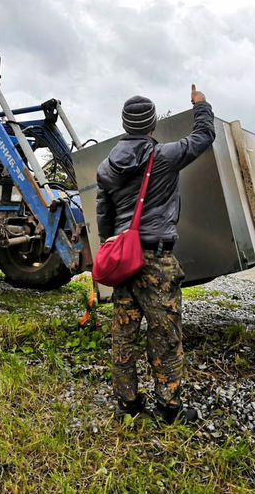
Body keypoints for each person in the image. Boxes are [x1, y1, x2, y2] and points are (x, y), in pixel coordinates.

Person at [96, 84, 215, 423]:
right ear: (152, 125)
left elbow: (104, 216)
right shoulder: (165, 155)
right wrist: (200, 104)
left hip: (124, 260)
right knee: (165, 335)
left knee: (124, 333)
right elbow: (204, 136)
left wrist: (117, 248)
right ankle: (169, 409)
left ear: (124, 124)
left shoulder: (106, 167)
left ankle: (129, 406)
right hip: (156, 259)